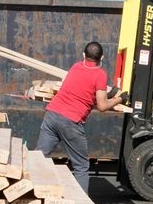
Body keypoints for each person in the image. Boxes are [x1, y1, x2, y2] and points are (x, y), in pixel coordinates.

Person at [36, 41, 128, 194]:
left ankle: (30, 196)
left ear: (83, 55)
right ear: (102, 57)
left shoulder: (75, 66)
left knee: (39, 157)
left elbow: (82, 90)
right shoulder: (100, 74)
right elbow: (102, 106)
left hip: (51, 115)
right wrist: (120, 99)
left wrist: (106, 93)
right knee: (81, 166)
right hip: (70, 122)